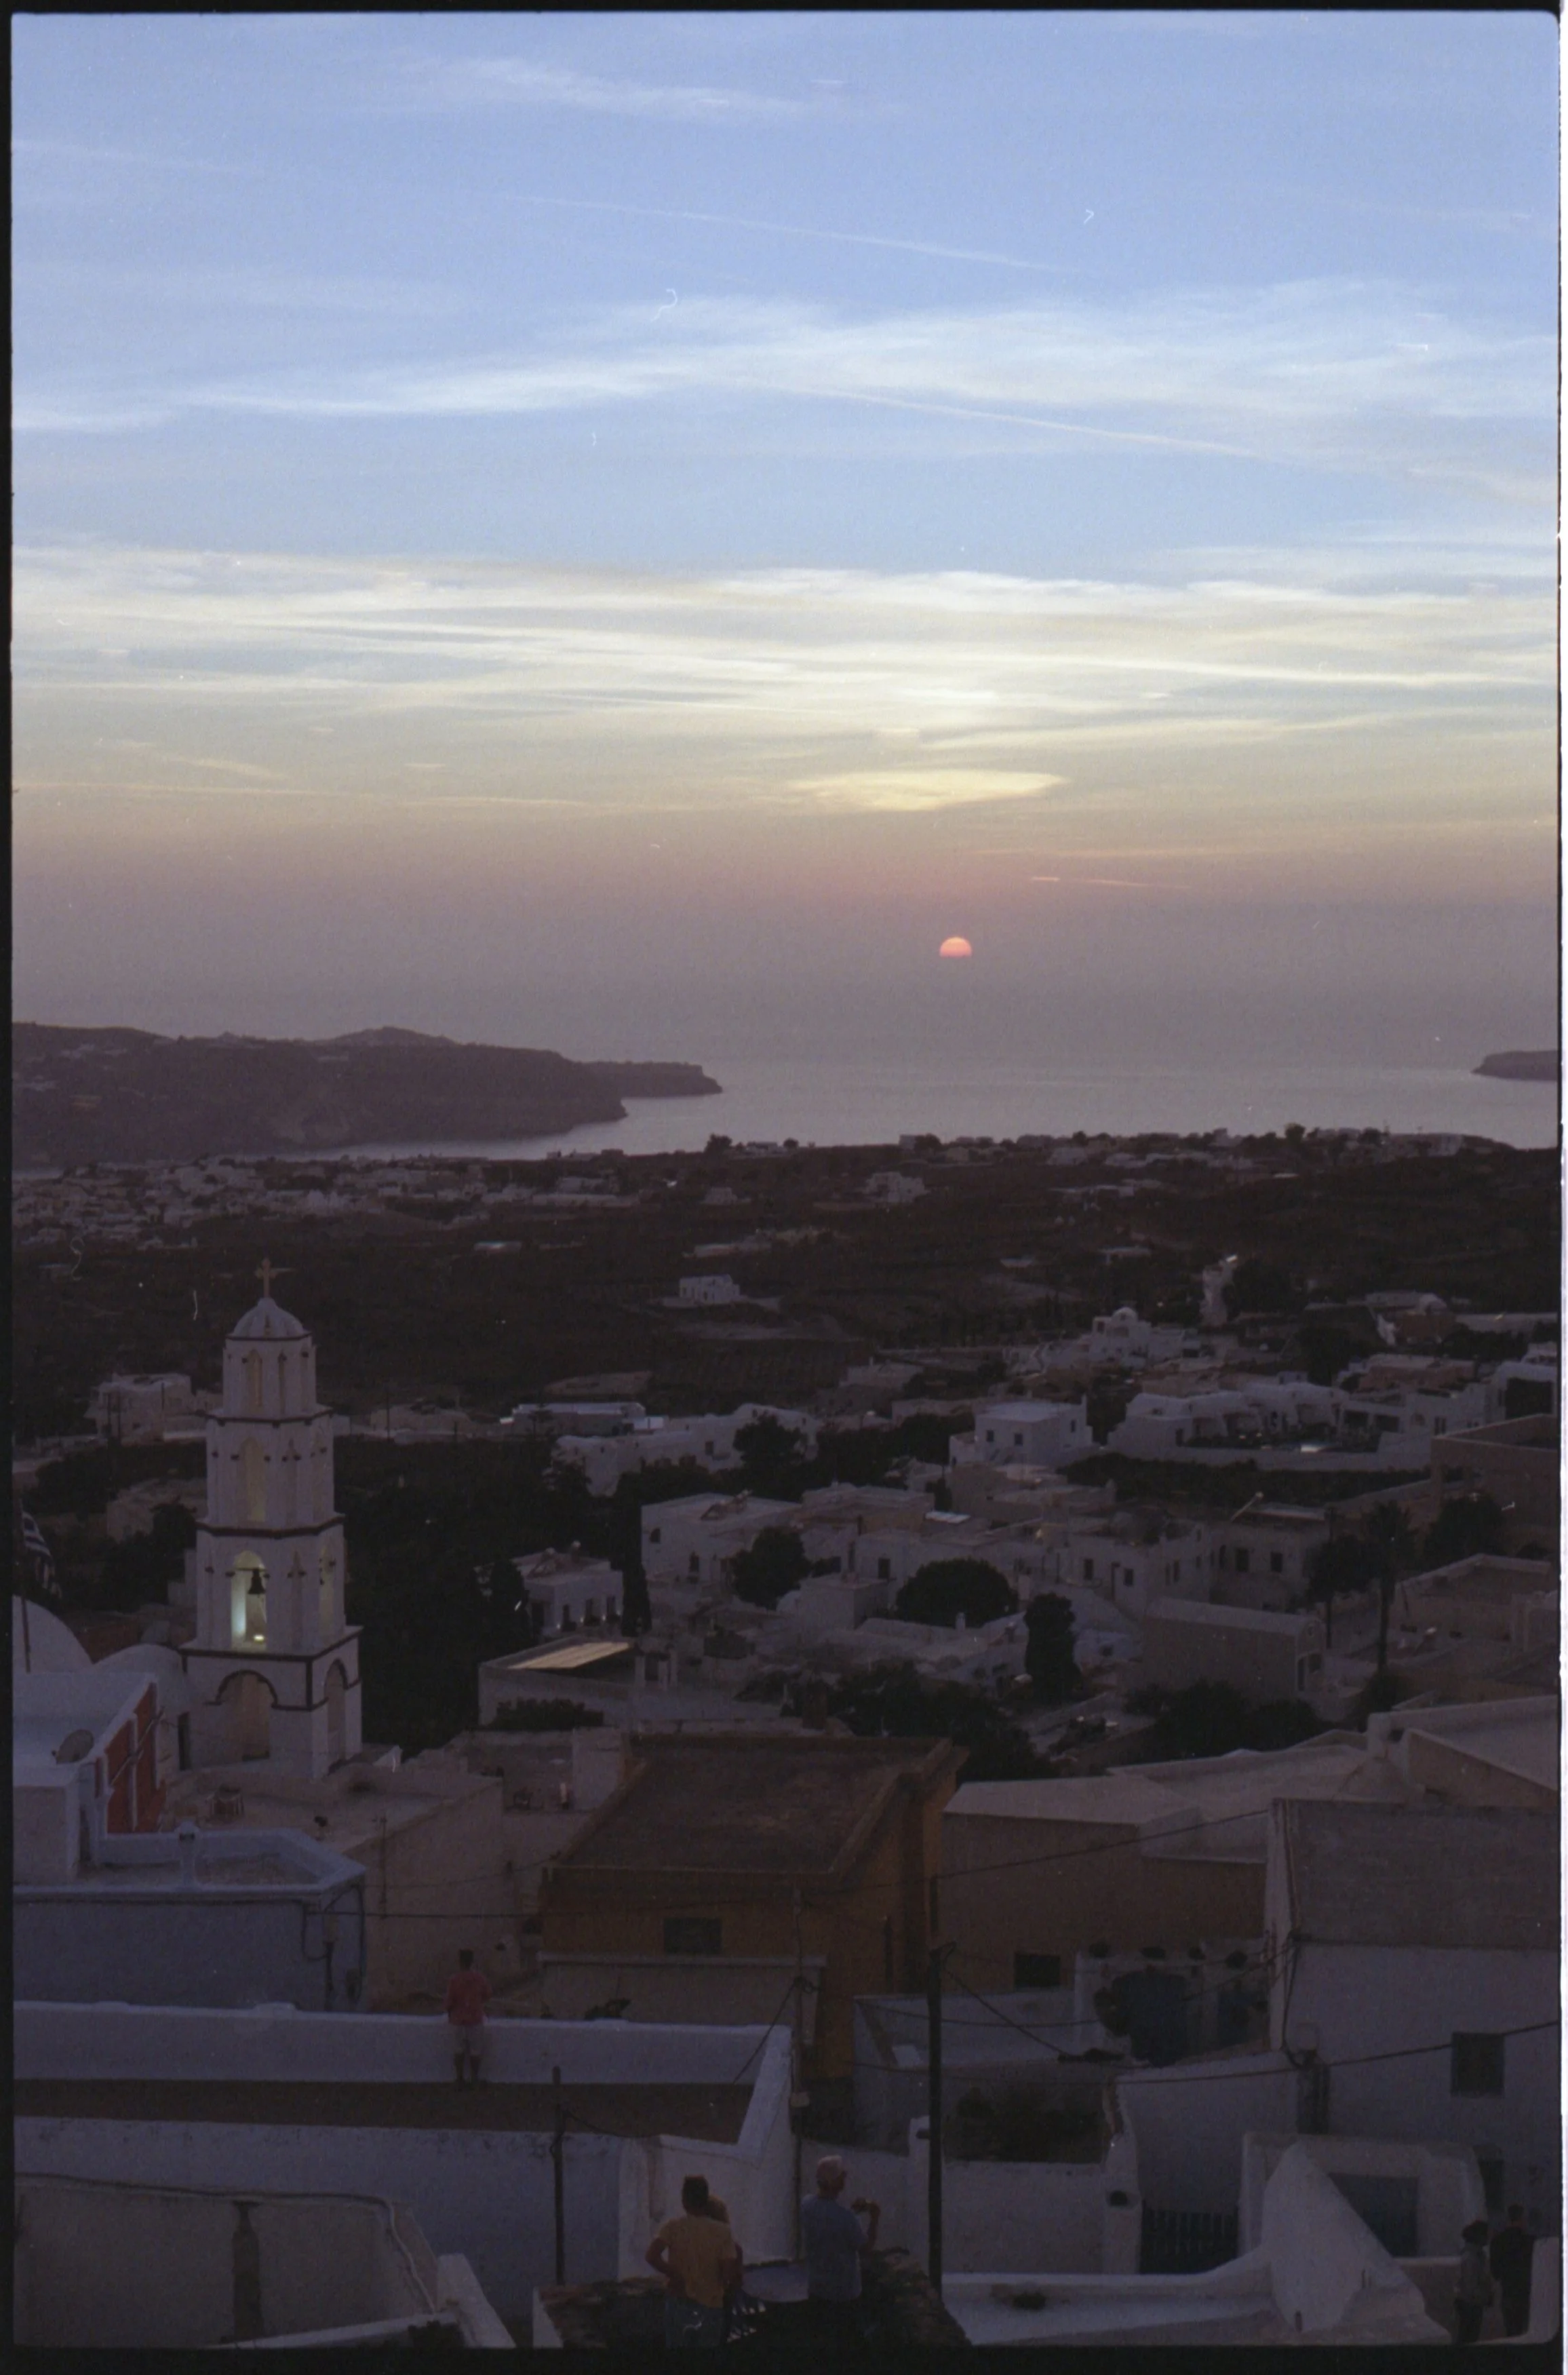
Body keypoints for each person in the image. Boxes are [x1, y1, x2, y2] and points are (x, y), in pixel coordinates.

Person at [646, 2174, 742, 2350]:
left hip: (679, 2300)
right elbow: (727, 2274)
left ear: (684, 2201)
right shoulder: (723, 2232)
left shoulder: (673, 2227)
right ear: (705, 2199)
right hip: (711, 2305)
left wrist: (674, 2273)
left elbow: (652, 2256)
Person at [801, 2155, 880, 2353]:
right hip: (843, 2295)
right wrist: (874, 2218)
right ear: (834, 2181)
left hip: (817, 2289)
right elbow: (866, 2247)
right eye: (841, 2175)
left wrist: (851, 2213)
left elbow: (829, 2222)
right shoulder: (846, 2218)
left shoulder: (807, 2205)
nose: (845, 2176)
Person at [444, 1948, 492, 2087]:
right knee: (475, 2051)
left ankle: (460, 2079)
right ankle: (474, 2079)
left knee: (458, 2050)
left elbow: (449, 2001)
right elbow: (488, 1994)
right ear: (472, 1961)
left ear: (460, 1962)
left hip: (458, 2020)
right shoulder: (480, 1978)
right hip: (475, 2019)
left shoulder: (454, 1980)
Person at [1489, 2205, 1535, 2339]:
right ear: (1522, 2218)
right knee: (1526, 2332)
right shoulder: (1530, 2242)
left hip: (1508, 2291)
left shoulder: (1497, 2241)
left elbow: (1495, 2272)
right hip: (1526, 2291)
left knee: (1511, 2331)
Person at [1453, 2218, 1494, 2345]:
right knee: (1468, 2337)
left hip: (1472, 2302)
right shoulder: (1471, 2257)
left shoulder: (1476, 2255)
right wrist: (1485, 2297)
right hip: (1469, 2303)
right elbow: (1470, 2286)